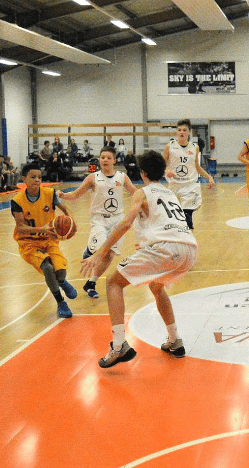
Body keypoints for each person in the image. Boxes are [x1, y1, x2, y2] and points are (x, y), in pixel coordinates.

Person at [81, 150, 198, 368]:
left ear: (142, 173)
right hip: (190, 250)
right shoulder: (170, 193)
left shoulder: (141, 193)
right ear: (163, 172)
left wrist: (100, 253)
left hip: (167, 248)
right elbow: (163, 222)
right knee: (157, 286)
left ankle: (118, 346)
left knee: (113, 282)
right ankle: (174, 341)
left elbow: (125, 224)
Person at [60, 146, 138, 299]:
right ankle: (90, 248)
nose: (105, 160)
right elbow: (76, 194)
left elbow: (136, 193)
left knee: (109, 256)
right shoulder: (93, 177)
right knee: (105, 252)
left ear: (114, 160)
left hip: (117, 220)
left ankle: (91, 283)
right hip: (99, 220)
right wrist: (63, 195)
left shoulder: (122, 177)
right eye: (102, 157)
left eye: (109, 158)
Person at [10, 163, 78, 318]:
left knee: (60, 271)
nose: (37, 180)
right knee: (47, 267)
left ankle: (61, 282)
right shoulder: (17, 201)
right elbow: (20, 227)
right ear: (24, 179)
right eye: (33, 177)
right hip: (28, 242)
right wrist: (42, 229)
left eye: (39, 177)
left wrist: (71, 220)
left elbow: (65, 208)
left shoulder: (49, 193)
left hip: (49, 239)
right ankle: (61, 302)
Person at [163, 118, 215, 230]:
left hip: (190, 186)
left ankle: (189, 241)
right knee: (175, 220)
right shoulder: (170, 146)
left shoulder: (194, 147)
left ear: (189, 132)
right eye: (179, 130)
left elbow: (197, 166)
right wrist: (166, 170)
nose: (181, 132)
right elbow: (162, 164)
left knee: (187, 219)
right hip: (174, 186)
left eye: (184, 130)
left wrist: (209, 176)